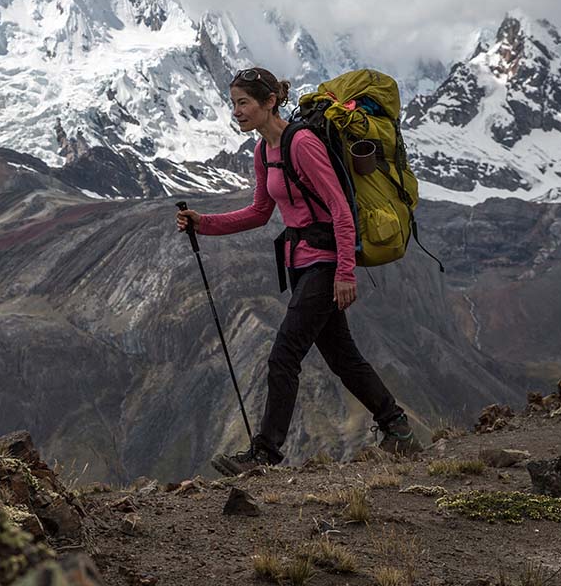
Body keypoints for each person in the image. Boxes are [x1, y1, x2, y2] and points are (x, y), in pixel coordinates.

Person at [176, 67, 420, 475]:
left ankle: (265, 454)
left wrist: (345, 272)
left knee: (284, 355)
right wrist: (205, 223)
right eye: (233, 103)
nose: (236, 111)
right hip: (299, 264)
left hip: (325, 263)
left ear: (270, 101)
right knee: (343, 357)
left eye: (243, 103)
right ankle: (397, 428)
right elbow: (259, 212)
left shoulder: (303, 144)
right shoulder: (263, 152)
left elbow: (340, 209)